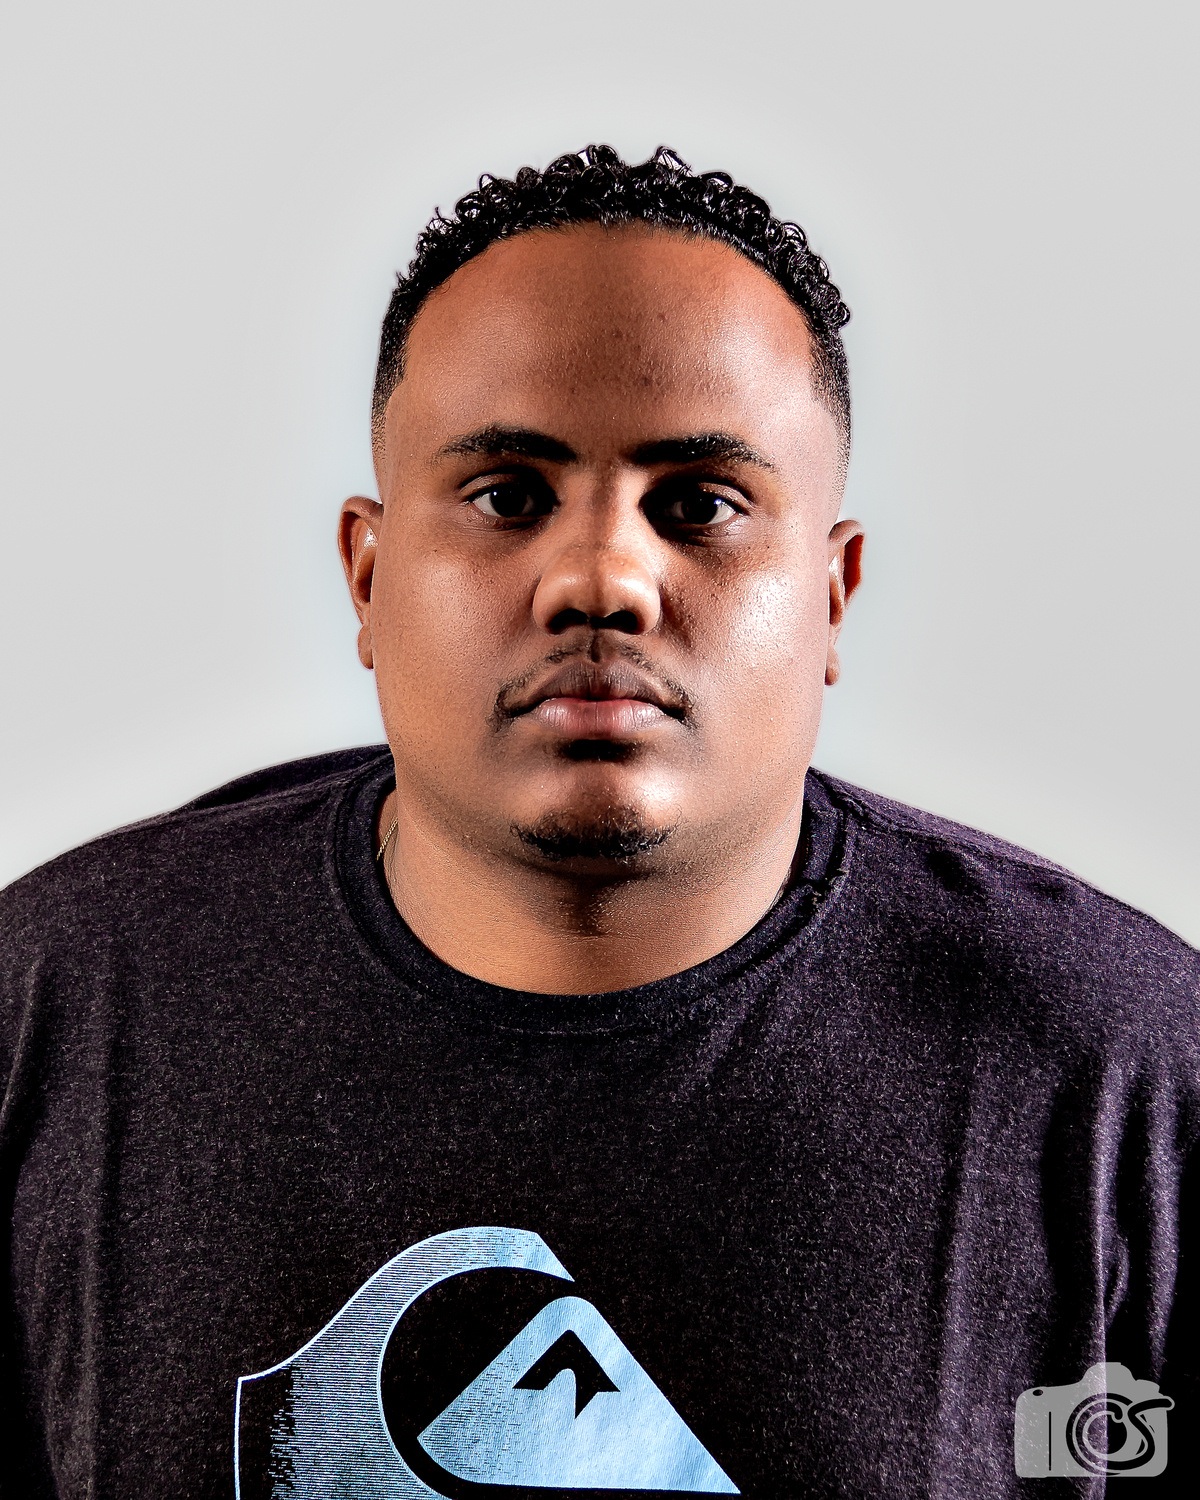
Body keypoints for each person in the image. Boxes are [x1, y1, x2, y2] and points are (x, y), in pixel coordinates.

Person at [1, 145, 1195, 1499]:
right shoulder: (60, 1006)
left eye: (699, 506)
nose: (603, 579)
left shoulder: (1121, 1070)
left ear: (833, 597)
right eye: (509, 495)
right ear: (369, 577)